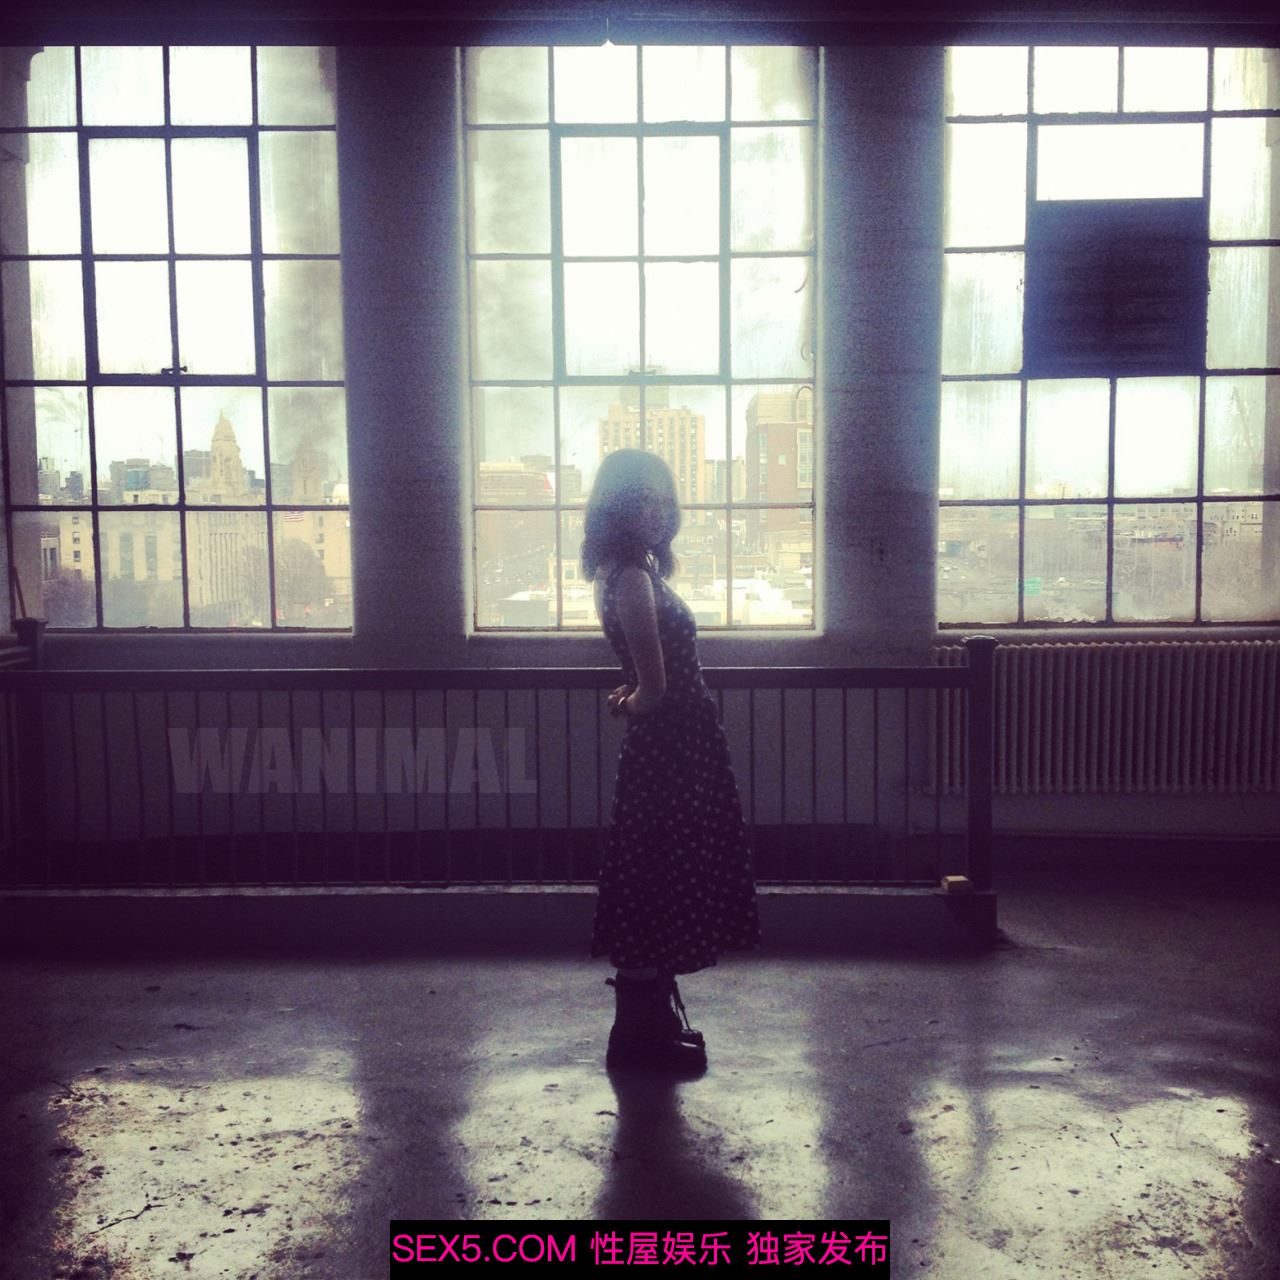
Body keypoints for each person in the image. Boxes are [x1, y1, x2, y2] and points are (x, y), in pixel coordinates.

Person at [582, 447, 761, 1072]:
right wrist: (631, 702)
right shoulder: (634, 578)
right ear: (614, 508)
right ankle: (639, 1036)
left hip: (669, 748)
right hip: (673, 748)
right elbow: (656, 690)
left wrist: (628, 695)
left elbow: (641, 678)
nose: (655, 512)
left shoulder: (620, 573)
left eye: (662, 500)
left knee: (653, 877)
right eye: (641, 500)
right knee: (659, 878)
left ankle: (649, 1027)